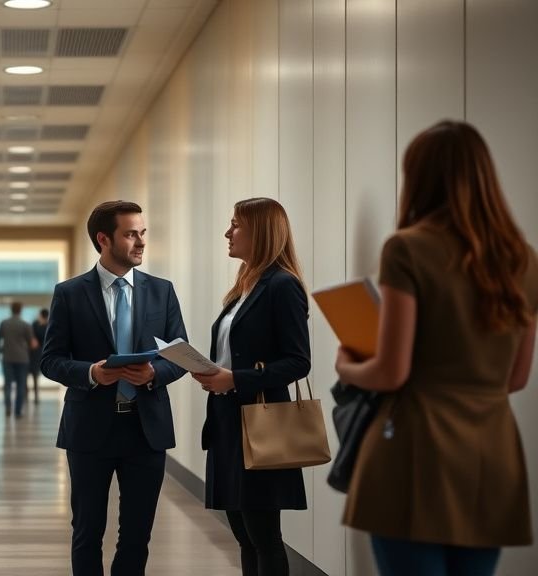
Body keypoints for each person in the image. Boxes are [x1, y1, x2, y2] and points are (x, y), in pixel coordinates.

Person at [335, 120, 537, 576]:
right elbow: (516, 378)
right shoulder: (523, 259)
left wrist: (348, 366)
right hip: (493, 452)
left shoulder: (407, 249)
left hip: (417, 447)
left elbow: (391, 373)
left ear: (419, 179)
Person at [41, 200, 188, 576]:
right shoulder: (70, 293)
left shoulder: (162, 291)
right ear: (103, 239)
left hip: (146, 429)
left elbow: (180, 356)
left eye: (143, 233)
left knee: (137, 535)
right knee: (87, 532)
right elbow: (51, 359)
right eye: (130, 234)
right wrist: (91, 372)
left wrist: (154, 373)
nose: (140, 242)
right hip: (90, 430)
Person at [191, 197, 310, 576]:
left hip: (259, 425)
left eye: (235, 225)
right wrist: (213, 373)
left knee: (264, 536)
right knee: (243, 534)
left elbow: (298, 361)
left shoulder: (282, 286)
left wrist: (235, 378)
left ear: (260, 231)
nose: (228, 233)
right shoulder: (243, 287)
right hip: (227, 421)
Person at [0, 301, 33, 417]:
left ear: (11, 309)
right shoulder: (25, 325)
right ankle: (17, 411)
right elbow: (31, 342)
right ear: (20, 310)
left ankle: (8, 407)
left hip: (7, 358)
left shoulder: (4, 323)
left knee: (7, 384)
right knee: (21, 385)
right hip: (22, 358)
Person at [28, 309, 49, 403]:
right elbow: (31, 337)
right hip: (32, 353)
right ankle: (27, 395)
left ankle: (36, 397)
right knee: (29, 375)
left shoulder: (48, 325)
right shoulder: (35, 324)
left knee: (35, 375)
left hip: (40, 354)